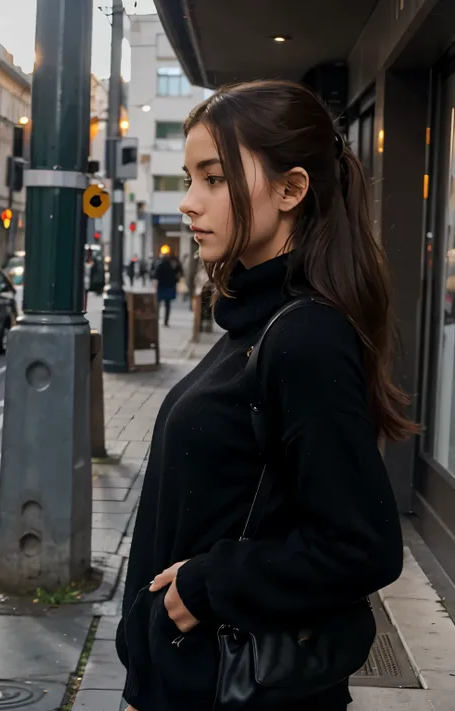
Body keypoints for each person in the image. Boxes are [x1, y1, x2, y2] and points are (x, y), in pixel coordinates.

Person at [116, 80, 415, 711]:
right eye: (188, 178)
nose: (189, 204)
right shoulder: (256, 323)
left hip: (237, 688)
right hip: (186, 682)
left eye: (214, 178)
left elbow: (360, 546)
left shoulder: (303, 336)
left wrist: (207, 585)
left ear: (291, 190)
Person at [153, 254, 178, 327]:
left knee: (158, 304)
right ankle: (166, 321)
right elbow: (175, 277)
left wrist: (155, 287)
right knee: (168, 305)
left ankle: (156, 319)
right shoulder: (171, 267)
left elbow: (156, 277)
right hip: (169, 287)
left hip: (161, 287)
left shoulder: (160, 266)